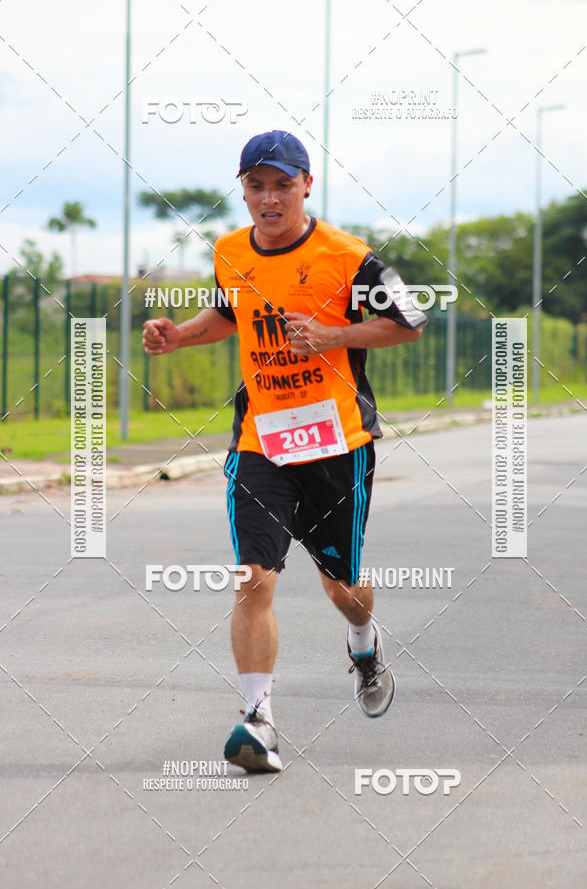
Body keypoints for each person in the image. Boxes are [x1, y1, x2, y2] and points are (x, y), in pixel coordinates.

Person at [143, 129, 427, 774]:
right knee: (254, 578)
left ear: (306, 186)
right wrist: (179, 336)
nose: (269, 198)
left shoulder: (349, 256)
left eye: (282, 185)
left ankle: (363, 641)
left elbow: (409, 323)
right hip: (261, 441)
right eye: (256, 186)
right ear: (243, 191)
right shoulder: (229, 251)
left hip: (337, 443)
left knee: (343, 588)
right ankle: (258, 720)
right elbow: (228, 315)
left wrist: (334, 334)